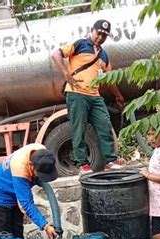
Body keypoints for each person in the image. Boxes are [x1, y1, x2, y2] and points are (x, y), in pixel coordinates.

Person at [51, 19, 125, 176]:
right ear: (92, 30)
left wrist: (119, 96)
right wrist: (66, 74)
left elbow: (110, 79)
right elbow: (55, 53)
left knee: (104, 125)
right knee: (79, 129)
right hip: (77, 94)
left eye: (104, 35)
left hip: (95, 96)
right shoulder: (80, 45)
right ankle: (82, 164)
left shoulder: (104, 55)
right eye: (98, 33)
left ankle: (110, 161)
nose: (100, 37)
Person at [0, 143, 59, 239]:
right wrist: (45, 226)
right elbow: (26, 203)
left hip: (13, 195)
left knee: (18, 236)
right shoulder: (20, 168)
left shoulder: (42, 153)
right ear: (31, 165)